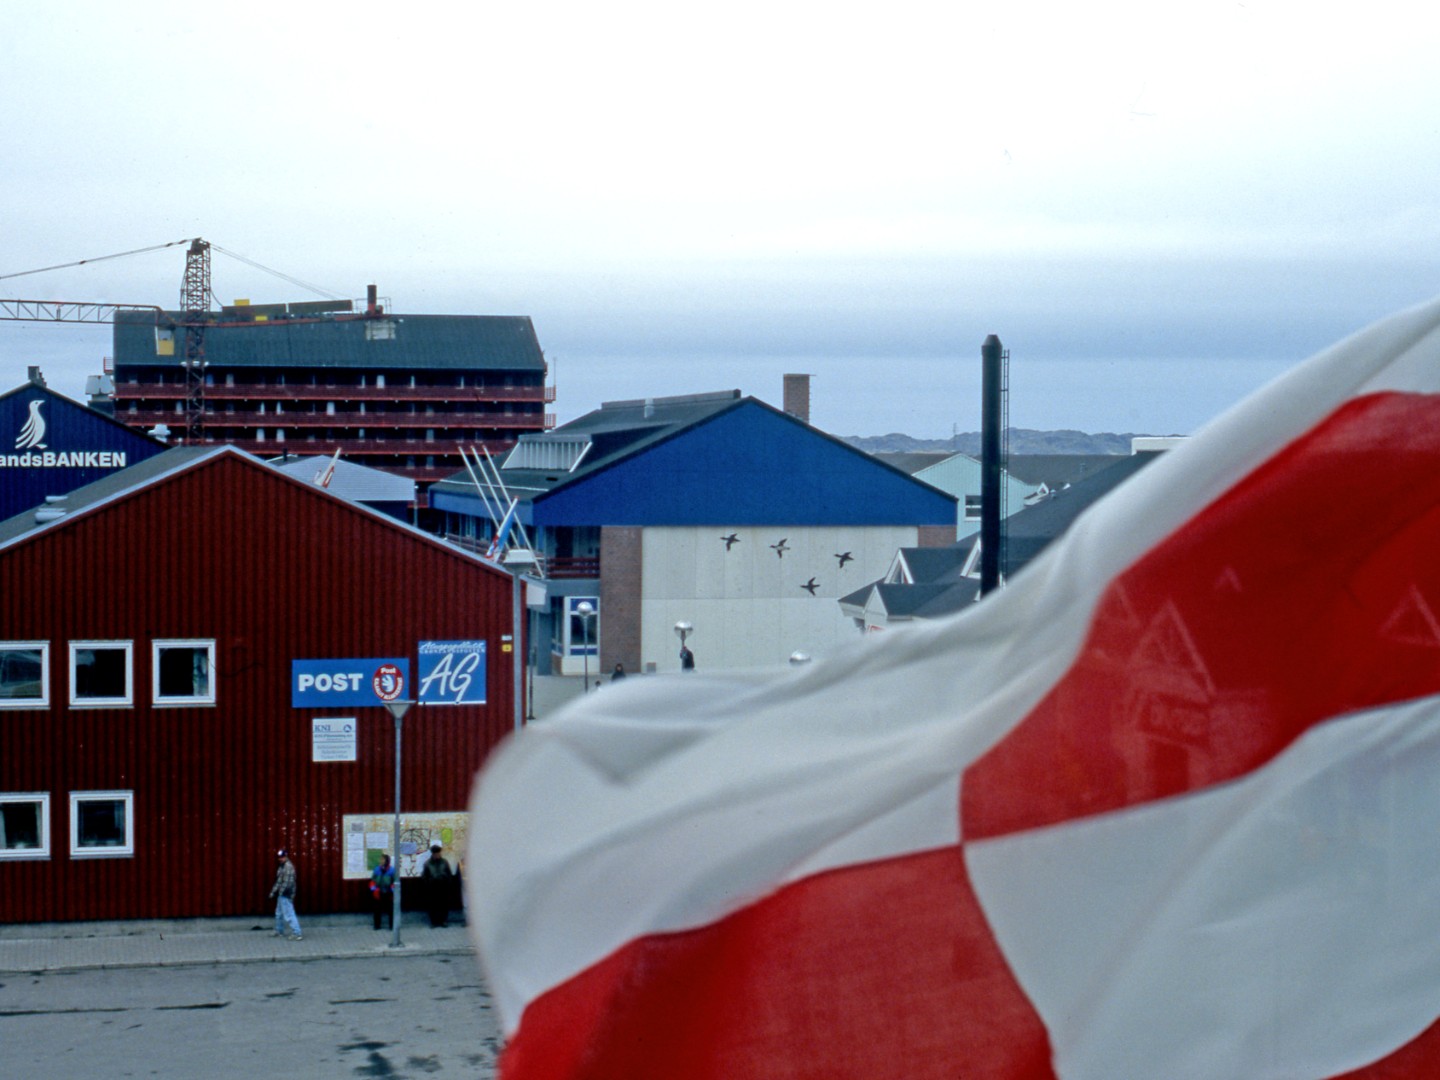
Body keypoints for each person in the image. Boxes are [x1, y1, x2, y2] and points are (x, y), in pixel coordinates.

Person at [421, 841, 455, 928]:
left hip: (443, 886)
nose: (437, 855)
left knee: (444, 905)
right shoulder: (427, 863)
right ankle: (433, 922)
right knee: (433, 905)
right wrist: (428, 884)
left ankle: (443, 921)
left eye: (438, 853)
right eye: (436, 853)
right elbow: (424, 876)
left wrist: (448, 883)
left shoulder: (444, 862)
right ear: (433, 854)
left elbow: (449, 873)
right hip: (432, 887)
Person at [270, 848, 302, 940]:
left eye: (282, 857)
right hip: (282, 894)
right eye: (279, 857)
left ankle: (297, 933)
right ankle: (279, 930)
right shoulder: (282, 866)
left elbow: (287, 883)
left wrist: (280, 892)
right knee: (279, 913)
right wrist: (273, 892)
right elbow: (279, 881)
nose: (280, 859)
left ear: (286, 856)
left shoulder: (288, 867)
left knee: (289, 914)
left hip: (286, 894)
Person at [370, 854, 396, 931]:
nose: (381, 861)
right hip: (378, 891)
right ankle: (377, 925)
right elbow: (372, 881)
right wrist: (374, 890)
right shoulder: (377, 869)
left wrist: (392, 890)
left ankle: (392, 926)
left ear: (387, 861)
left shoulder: (392, 870)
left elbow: (395, 882)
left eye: (383, 859)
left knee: (391, 910)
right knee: (377, 910)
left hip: (388, 892)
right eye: (380, 859)